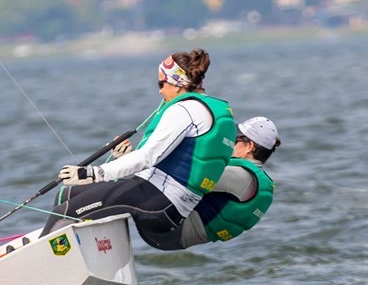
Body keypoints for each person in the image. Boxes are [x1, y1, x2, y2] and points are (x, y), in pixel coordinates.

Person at [39, 48, 236, 242]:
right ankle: (80, 249)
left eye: (161, 83)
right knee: (67, 194)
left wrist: (91, 173)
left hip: (161, 201)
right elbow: (177, 159)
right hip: (166, 200)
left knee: (64, 212)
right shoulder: (210, 108)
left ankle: (40, 257)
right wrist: (125, 156)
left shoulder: (185, 110)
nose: (160, 91)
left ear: (177, 85)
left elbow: (147, 157)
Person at [141, 116, 279, 251]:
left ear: (250, 146)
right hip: (175, 238)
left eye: (235, 140)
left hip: (167, 230)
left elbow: (189, 177)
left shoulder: (241, 176)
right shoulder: (256, 179)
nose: (231, 143)